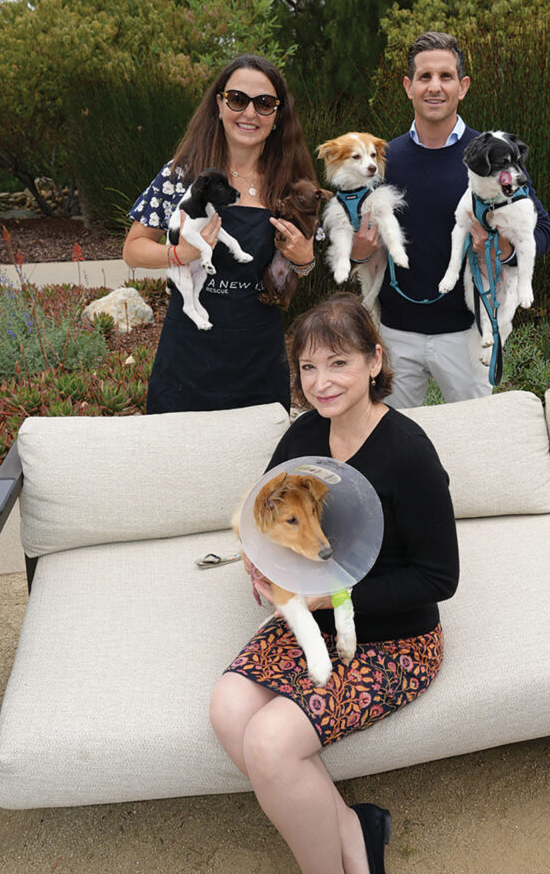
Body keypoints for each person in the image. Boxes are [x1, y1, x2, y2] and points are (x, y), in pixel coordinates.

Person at [210, 293, 459, 874]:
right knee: (228, 709)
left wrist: (333, 596)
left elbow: (439, 577)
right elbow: (266, 519)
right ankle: (353, 825)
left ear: (375, 361)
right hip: (314, 618)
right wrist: (259, 561)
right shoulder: (302, 436)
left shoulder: (410, 453)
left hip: (397, 638)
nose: (321, 383)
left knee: (270, 742)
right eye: (308, 366)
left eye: (338, 362)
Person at [350, 31, 550, 408]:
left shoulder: (495, 154)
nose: (435, 87)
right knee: (392, 440)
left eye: (446, 76)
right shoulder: (382, 160)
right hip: (395, 335)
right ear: (408, 86)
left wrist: (502, 249)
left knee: (473, 439)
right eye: (424, 77)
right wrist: (357, 252)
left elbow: (542, 232)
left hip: (468, 335)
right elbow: (356, 241)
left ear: (463, 86)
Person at [123, 54, 318, 414]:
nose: (249, 113)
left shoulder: (290, 186)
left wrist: (304, 260)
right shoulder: (180, 175)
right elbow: (133, 249)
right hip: (188, 359)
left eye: (264, 103)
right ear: (219, 104)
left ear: (278, 115)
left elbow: (300, 265)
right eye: (237, 99)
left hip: (258, 361)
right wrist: (180, 254)